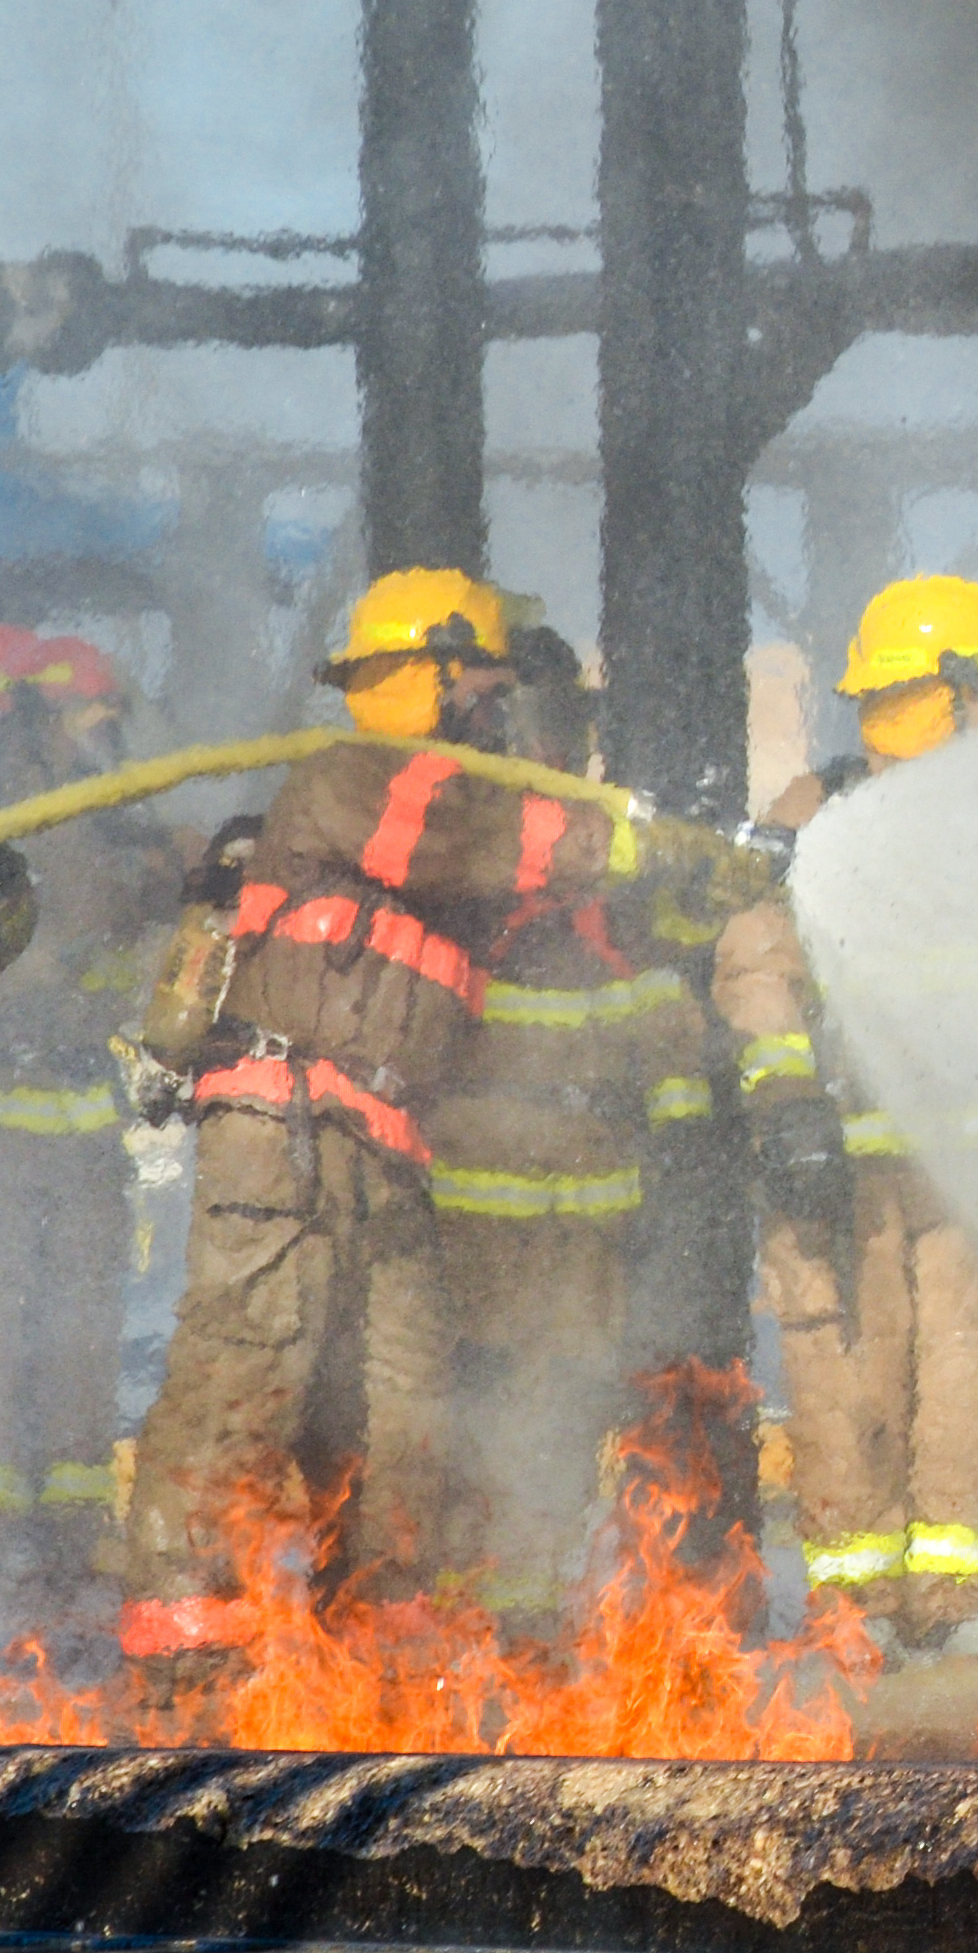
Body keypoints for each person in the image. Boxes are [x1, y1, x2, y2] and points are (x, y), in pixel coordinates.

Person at [113, 568, 763, 1698]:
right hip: (285, 1127)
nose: (497, 707)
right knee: (245, 1375)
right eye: (483, 684)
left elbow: (578, 918)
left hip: (385, 1146)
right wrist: (631, 836)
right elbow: (474, 837)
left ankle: (379, 1638)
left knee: (405, 1409)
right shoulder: (356, 782)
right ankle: (184, 1652)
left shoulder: (466, 811)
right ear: (429, 675)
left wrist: (708, 878)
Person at [711, 573, 978, 1661]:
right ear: (938, 694)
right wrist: (791, 1098)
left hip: (959, 1162)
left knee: (958, 1362)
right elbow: (757, 966)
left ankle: (946, 1598)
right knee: (846, 1364)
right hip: (838, 1156)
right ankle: (858, 1607)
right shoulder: (817, 823)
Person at [423, 628, 750, 1630]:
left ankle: (515, 1605)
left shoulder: (592, 859)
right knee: (479, 1388)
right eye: (534, 716)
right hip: (488, 1182)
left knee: (559, 1391)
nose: (556, 740)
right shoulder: (481, 828)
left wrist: (682, 1120)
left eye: (566, 720)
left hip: (582, 1184)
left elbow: (647, 984)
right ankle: (474, 1600)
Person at [0, 626, 153, 1620]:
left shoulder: (91, 818)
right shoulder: (2, 819)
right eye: (90, 717)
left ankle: (62, 1531)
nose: (104, 736)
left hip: (73, 1122)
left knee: (75, 1325)